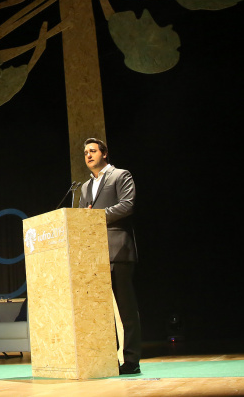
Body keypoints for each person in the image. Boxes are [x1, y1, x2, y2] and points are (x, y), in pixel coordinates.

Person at [79, 137, 142, 375]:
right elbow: (84, 218)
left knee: (126, 309)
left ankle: (131, 361)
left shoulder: (120, 175)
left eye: (93, 151)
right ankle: (107, 361)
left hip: (118, 250)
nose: (88, 156)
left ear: (104, 154)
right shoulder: (85, 187)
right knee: (101, 313)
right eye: (86, 152)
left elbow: (127, 205)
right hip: (94, 256)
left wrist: (96, 215)